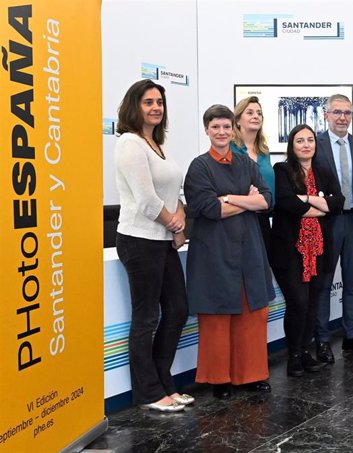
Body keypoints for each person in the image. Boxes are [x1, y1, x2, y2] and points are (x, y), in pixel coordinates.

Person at [184, 104, 275, 398]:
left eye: (226, 127)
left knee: (252, 314)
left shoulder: (246, 163)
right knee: (217, 318)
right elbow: (210, 209)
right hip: (214, 251)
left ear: (232, 129)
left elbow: (266, 200)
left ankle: (250, 375)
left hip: (249, 248)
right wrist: (247, 202)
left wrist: (229, 199)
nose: (222, 132)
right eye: (215, 127)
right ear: (207, 130)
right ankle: (219, 379)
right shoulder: (199, 167)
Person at [114, 79, 192, 412]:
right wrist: (174, 224)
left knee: (177, 310)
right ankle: (148, 393)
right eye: (148, 102)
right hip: (139, 240)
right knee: (146, 318)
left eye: (159, 102)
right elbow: (147, 200)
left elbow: (174, 194)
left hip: (162, 241)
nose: (156, 107)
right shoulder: (130, 143)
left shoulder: (157, 145)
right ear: (135, 106)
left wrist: (180, 223)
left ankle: (164, 382)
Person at [271, 125, 344, 376]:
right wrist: (319, 203)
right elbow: (286, 202)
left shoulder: (324, 172)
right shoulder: (282, 170)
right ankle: (293, 356)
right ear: (292, 145)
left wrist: (306, 199)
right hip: (290, 250)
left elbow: (338, 203)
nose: (305, 145)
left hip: (319, 248)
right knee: (298, 303)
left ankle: (305, 352)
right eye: (300, 140)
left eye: (310, 140)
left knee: (313, 303)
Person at [313, 94, 353, 363]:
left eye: (347, 113)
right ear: (326, 115)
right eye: (337, 112)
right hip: (327, 222)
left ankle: (351, 336)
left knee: (352, 283)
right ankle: (323, 340)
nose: (342, 117)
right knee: (324, 284)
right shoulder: (314, 144)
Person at [232, 96, 274, 247]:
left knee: (263, 268)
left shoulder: (264, 151)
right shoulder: (229, 149)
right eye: (249, 112)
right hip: (237, 219)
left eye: (259, 113)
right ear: (237, 120)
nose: (256, 116)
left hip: (263, 219)